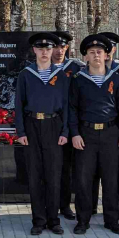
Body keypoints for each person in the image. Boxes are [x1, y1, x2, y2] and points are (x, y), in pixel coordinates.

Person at [69, 34, 119, 235]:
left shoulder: (116, 79)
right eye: (92, 52)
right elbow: (72, 109)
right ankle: (83, 220)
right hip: (85, 134)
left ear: (106, 55)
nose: (96, 55)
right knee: (83, 179)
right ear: (85, 57)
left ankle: (112, 220)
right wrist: (75, 134)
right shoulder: (78, 80)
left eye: (100, 52)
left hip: (110, 133)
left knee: (111, 178)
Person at [14, 32, 69, 236]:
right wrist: (21, 131)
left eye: (48, 48)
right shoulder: (26, 74)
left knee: (53, 175)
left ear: (53, 50)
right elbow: (19, 104)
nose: (44, 52)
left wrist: (65, 131)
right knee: (35, 175)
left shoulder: (61, 75)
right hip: (32, 126)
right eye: (40, 48)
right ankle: (38, 220)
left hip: (54, 126)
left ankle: (54, 220)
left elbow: (67, 106)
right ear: (34, 50)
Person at [95, 30, 119, 218]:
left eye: (109, 47)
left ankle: (113, 210)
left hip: (112, 128)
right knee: (90, 172)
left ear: (112, 50)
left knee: (112, 172)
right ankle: (90, 207)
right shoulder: (86, 71)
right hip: (91, 129)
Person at [51, 30, 81, 220]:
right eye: (56, 46)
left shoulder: (75, 68)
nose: (59, 50)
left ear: (67, 47)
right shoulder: (41, 67)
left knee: (67, 168)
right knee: (50, 166)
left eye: (62, 46)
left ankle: (65, 205)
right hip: (49, 122)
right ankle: (50, 204)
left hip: (70, 123)